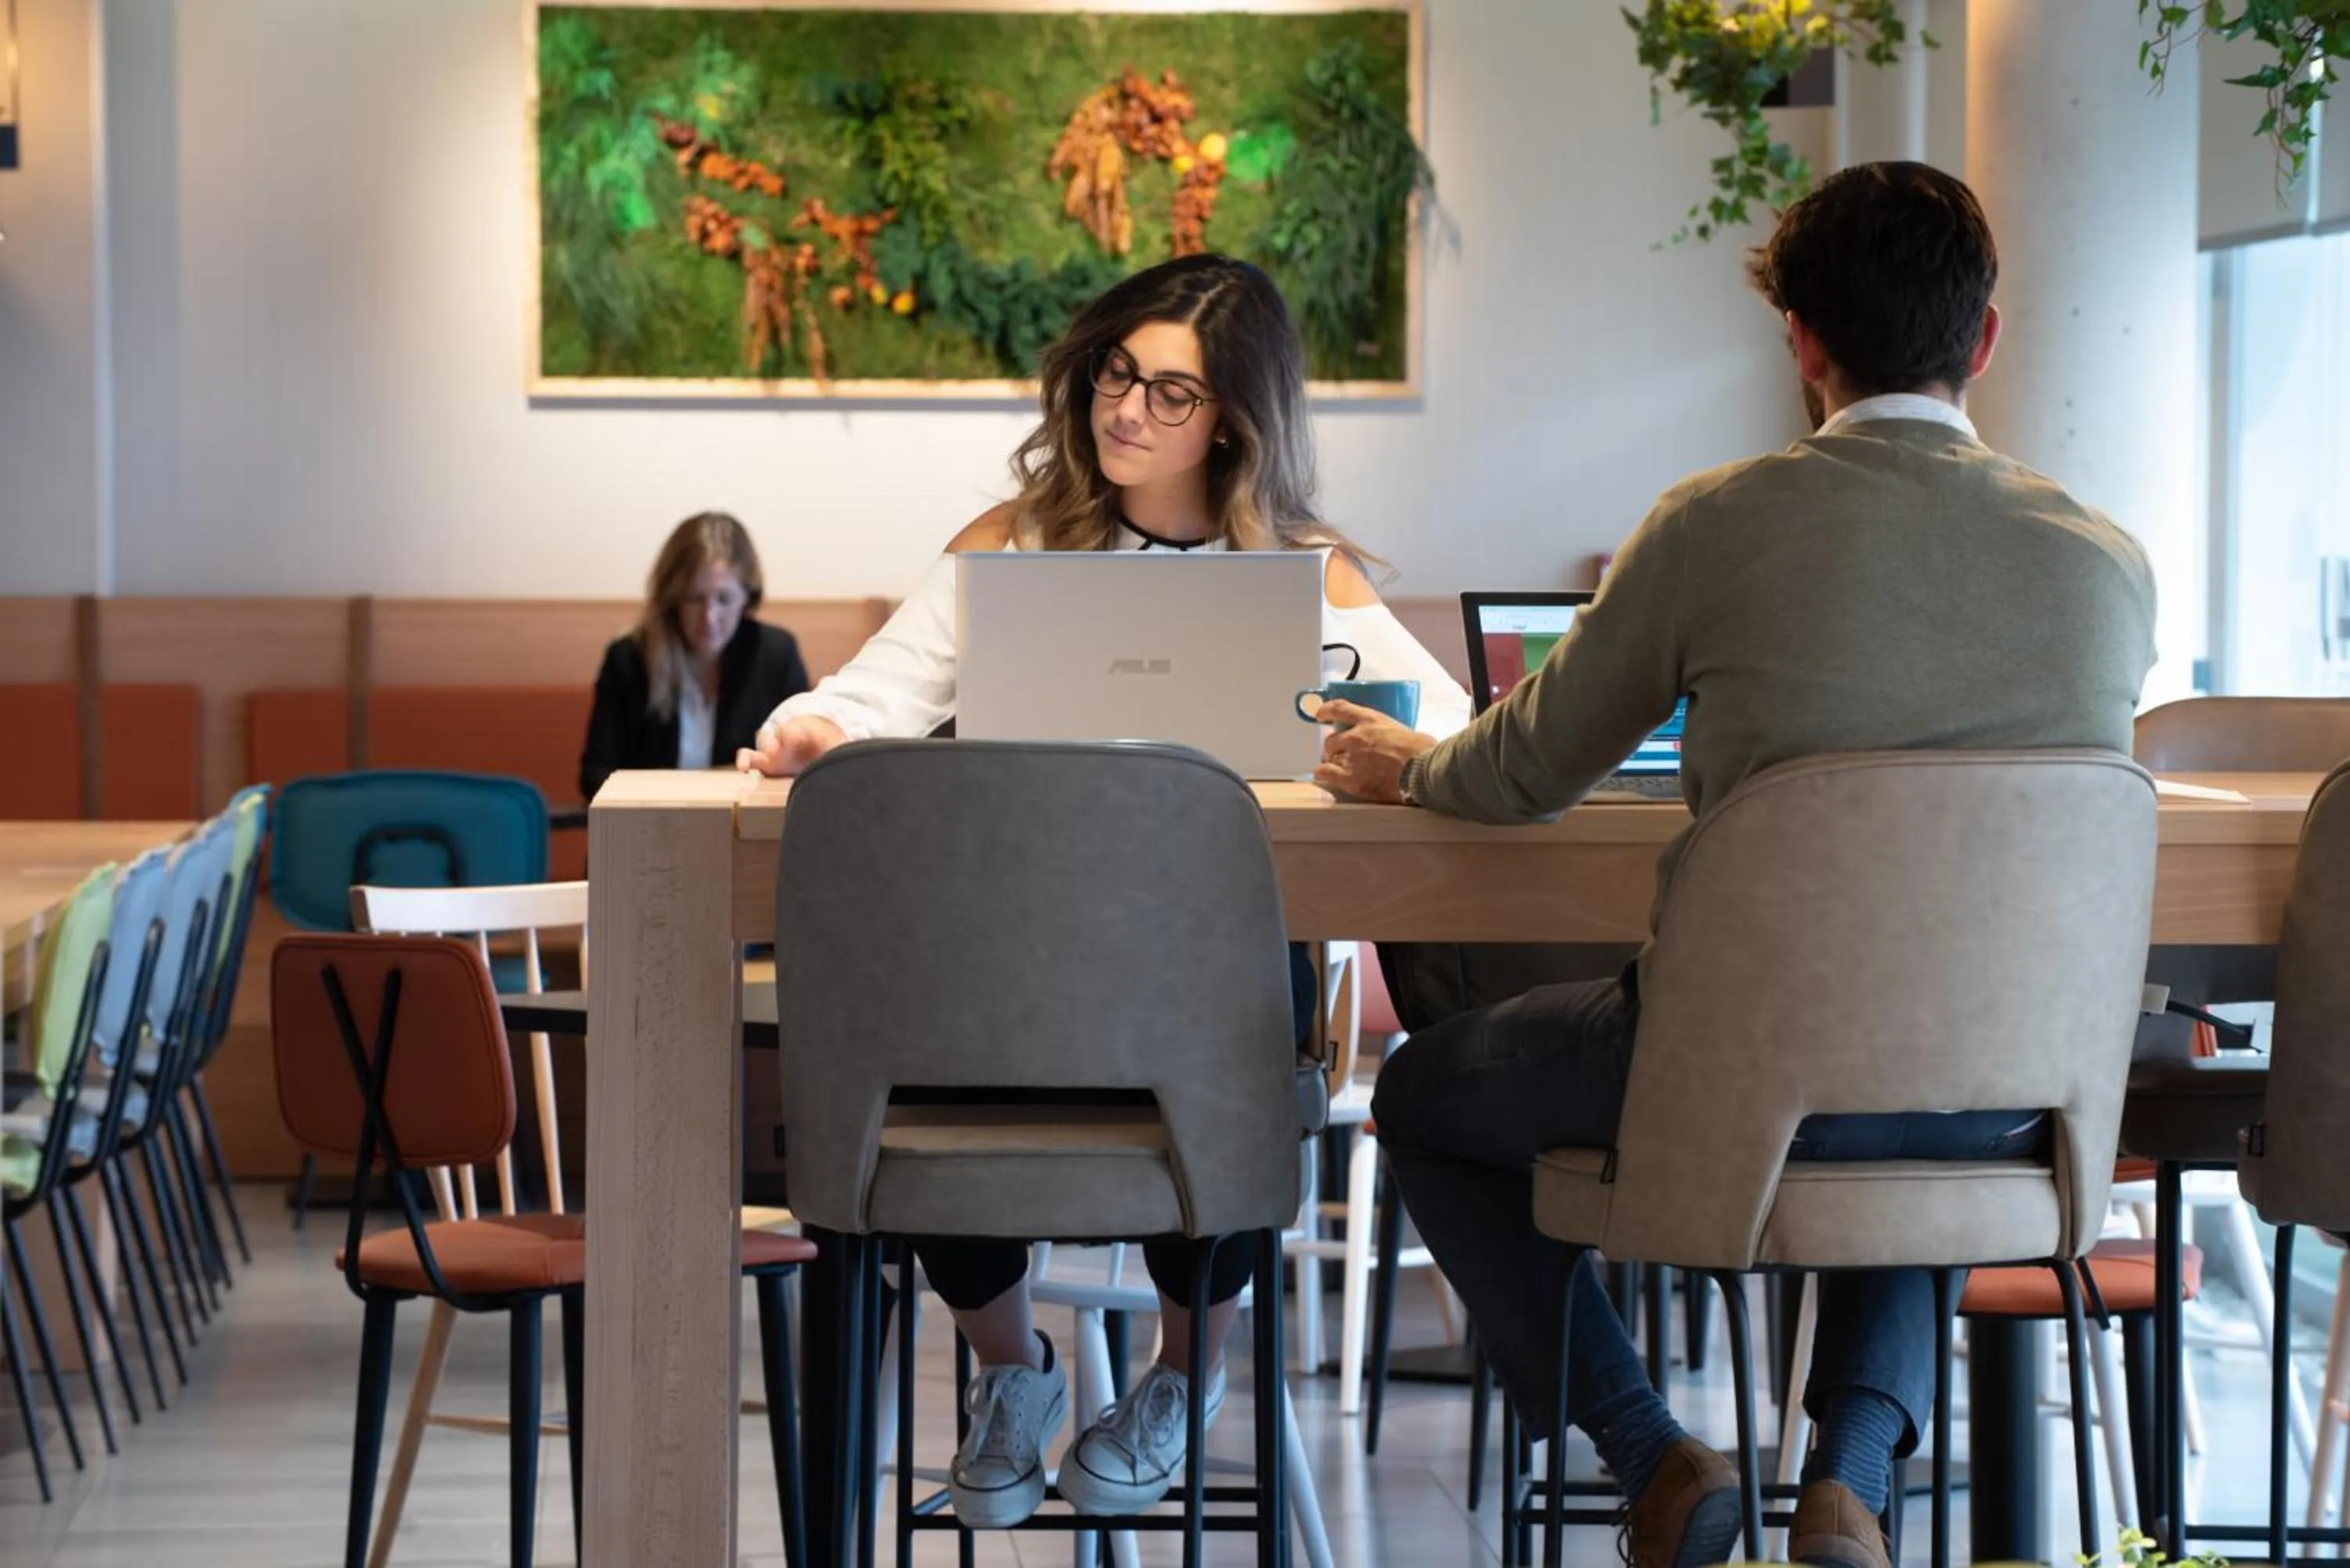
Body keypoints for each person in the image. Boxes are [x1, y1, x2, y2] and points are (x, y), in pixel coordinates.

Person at [1314, 162, 2157, 1568]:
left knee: (1418, 1091)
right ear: (1987, 337)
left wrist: (1412, 764)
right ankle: (1856, 1480)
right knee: (1936, 1041)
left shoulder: (1716, 521)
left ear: (1802, 343)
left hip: (1734, 1079)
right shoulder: (2107, 561)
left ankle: (1653, 1455)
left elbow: (1525, 769)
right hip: (2004, 1106)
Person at [737, 253, 1471, 1526]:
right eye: (1117, 375)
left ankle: (1185, 1382)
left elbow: (1451, 728)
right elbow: (869, 692)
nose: (1126, 410)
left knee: (1234, 1011)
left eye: (1170, 394)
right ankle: (1010, 1368)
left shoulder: (1303, 572)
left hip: (1203, 990)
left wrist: (1386, 747)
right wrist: (811, 729)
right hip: (1009, 979)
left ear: (1236, 418)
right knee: (911, 1030)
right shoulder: (1011, 544)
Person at [579, 511, 809, 802]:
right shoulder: (628, 658)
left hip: (743, 837)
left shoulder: (776, 655)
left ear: (746, 598)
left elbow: (802, 771)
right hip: (647, 834)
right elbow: (594, 776)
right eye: (694, 598)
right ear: (672, 598)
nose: (709, 618)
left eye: (724, 599)